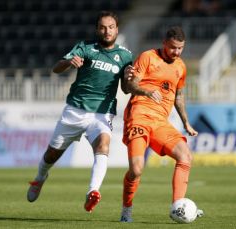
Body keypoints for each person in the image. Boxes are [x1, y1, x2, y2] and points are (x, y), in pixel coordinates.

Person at [27, 11, 133, 213]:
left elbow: (126, 89)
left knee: (103, 146)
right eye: (103, 27)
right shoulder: (85, 47)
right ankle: (40, 178)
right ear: (97, 29)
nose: (107, 31)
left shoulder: (125, 56)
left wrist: (128, 78)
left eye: (111, 27)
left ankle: (93, 192)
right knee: (51, 155)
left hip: (102, 114)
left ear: (117, 29)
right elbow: (56, 68)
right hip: (75, 110)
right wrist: (69, 62)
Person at [119, 26, 200, 222]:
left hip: (160, 122)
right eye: (173, 48)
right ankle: (126, 209)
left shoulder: (180, 66)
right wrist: (146, 91)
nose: (176, 52)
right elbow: (130, 85)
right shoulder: (148, 57)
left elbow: (178, 97)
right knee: (137, 170)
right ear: (165, 43)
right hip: (139, 116)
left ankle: (178, 206)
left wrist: (186, 123)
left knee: (185, 155)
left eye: (180, 48)